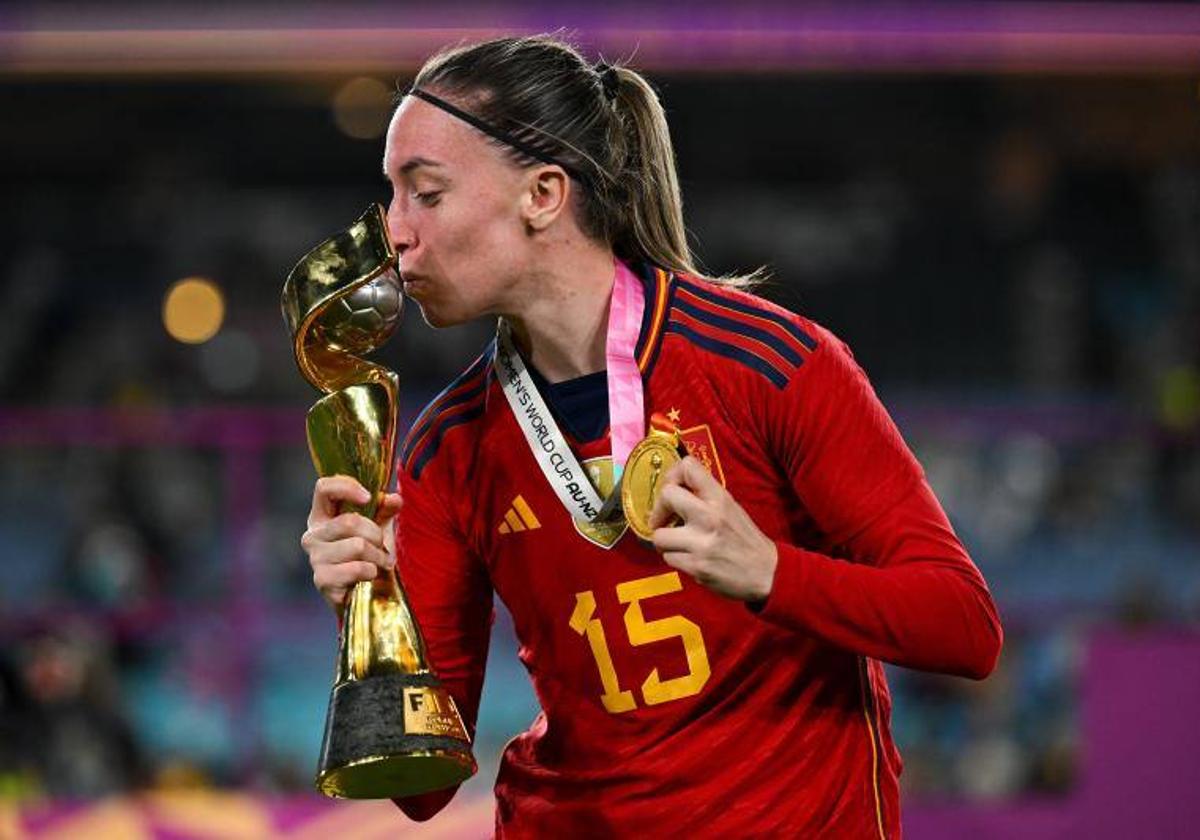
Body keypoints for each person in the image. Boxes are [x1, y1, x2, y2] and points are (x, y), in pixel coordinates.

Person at [301, 34, 1002, 838]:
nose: (394, 232)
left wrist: (771, 571)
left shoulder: (767, 366)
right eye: (392, 196)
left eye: (424, 193)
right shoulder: (444, 449)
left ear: (543, 194)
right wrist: (368, 612)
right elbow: (421, 790)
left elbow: (965, 626)